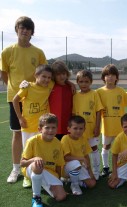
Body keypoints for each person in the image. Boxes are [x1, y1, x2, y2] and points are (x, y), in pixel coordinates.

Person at [0, 16, 47, 184]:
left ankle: (36, 165)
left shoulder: (38, 52)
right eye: (22, 27)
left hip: (35, 99)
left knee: (37, 133)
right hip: (16, 98)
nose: (25, 30)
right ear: (17, 30)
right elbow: (4, 73)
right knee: (18, 133)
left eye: (28, 28)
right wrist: (15, 88)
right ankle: (15, 169)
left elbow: (44, 73)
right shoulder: (7, 52)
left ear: (32, 32)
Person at [12, 64, 54, 188]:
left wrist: (71, 84)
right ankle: (26, 176)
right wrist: (20, 118)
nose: (46, 80)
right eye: (43, 77)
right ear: (36, 76)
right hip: (28, 126)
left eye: (49, 77)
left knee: (41, 151)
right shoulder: (28, 87)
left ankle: (39, 173)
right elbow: (15, 100)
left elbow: (61, 79)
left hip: (42, 127)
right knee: (27, 152)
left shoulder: (49, 87)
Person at [20, 113, 67, 207]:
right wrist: (34, 159)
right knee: (38, 164)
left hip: (49, 172)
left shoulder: (58, 143)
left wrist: (58, 179)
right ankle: (36, 197)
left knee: (61, 197)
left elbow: (59, 164)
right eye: (47, 127)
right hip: (33, 168)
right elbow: (22, 163)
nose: (50, 130)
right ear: (40, 129)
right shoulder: (32, 141)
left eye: (53, 127)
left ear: (56, 129)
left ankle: (39, 183)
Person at [96, 64, 127, 177]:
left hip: (120, 126)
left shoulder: (121, 91)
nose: (110, 77)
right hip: (106, 125)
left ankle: (121, 167)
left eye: (112, 75)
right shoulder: (99, 92)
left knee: (121, 147)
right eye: (107, 75)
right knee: (106, 146)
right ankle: (105, 168)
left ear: (116, 77)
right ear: (103, 77)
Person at [73, 70, 103, 180]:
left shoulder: (94, 94)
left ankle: (96, 171)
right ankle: (84, 170)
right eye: (81, 81)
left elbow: (98, 111)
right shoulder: (75, 96)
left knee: (94, 148)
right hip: (79, 131)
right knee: (81, 150)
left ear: (91, 82)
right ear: (77, 82)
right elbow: (73, 113)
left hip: (91, 129)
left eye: (86, 81)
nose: (84, 84)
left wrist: (97, 126)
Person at [61, 115, 96, 195]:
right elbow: (66, 157)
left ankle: (73, 180)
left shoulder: (83, 138)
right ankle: (74, 185)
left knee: (92, 184)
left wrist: (90, 171)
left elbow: (86, 155)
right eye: (75, 128)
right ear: (68, 129)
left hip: (79, 165)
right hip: (66, 167)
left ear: (84, 129)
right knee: (76, 163)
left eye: (81, 128)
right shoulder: (65, 139)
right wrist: (82, 159)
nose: (78, 131)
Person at [49, 60, 73, 140]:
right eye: (58, 74)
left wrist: (70, 83)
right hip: (52, 125)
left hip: (67, 125)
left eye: (63, 74)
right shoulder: (49, 86)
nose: (62, 76)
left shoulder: (70, 87)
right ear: (53, 76)